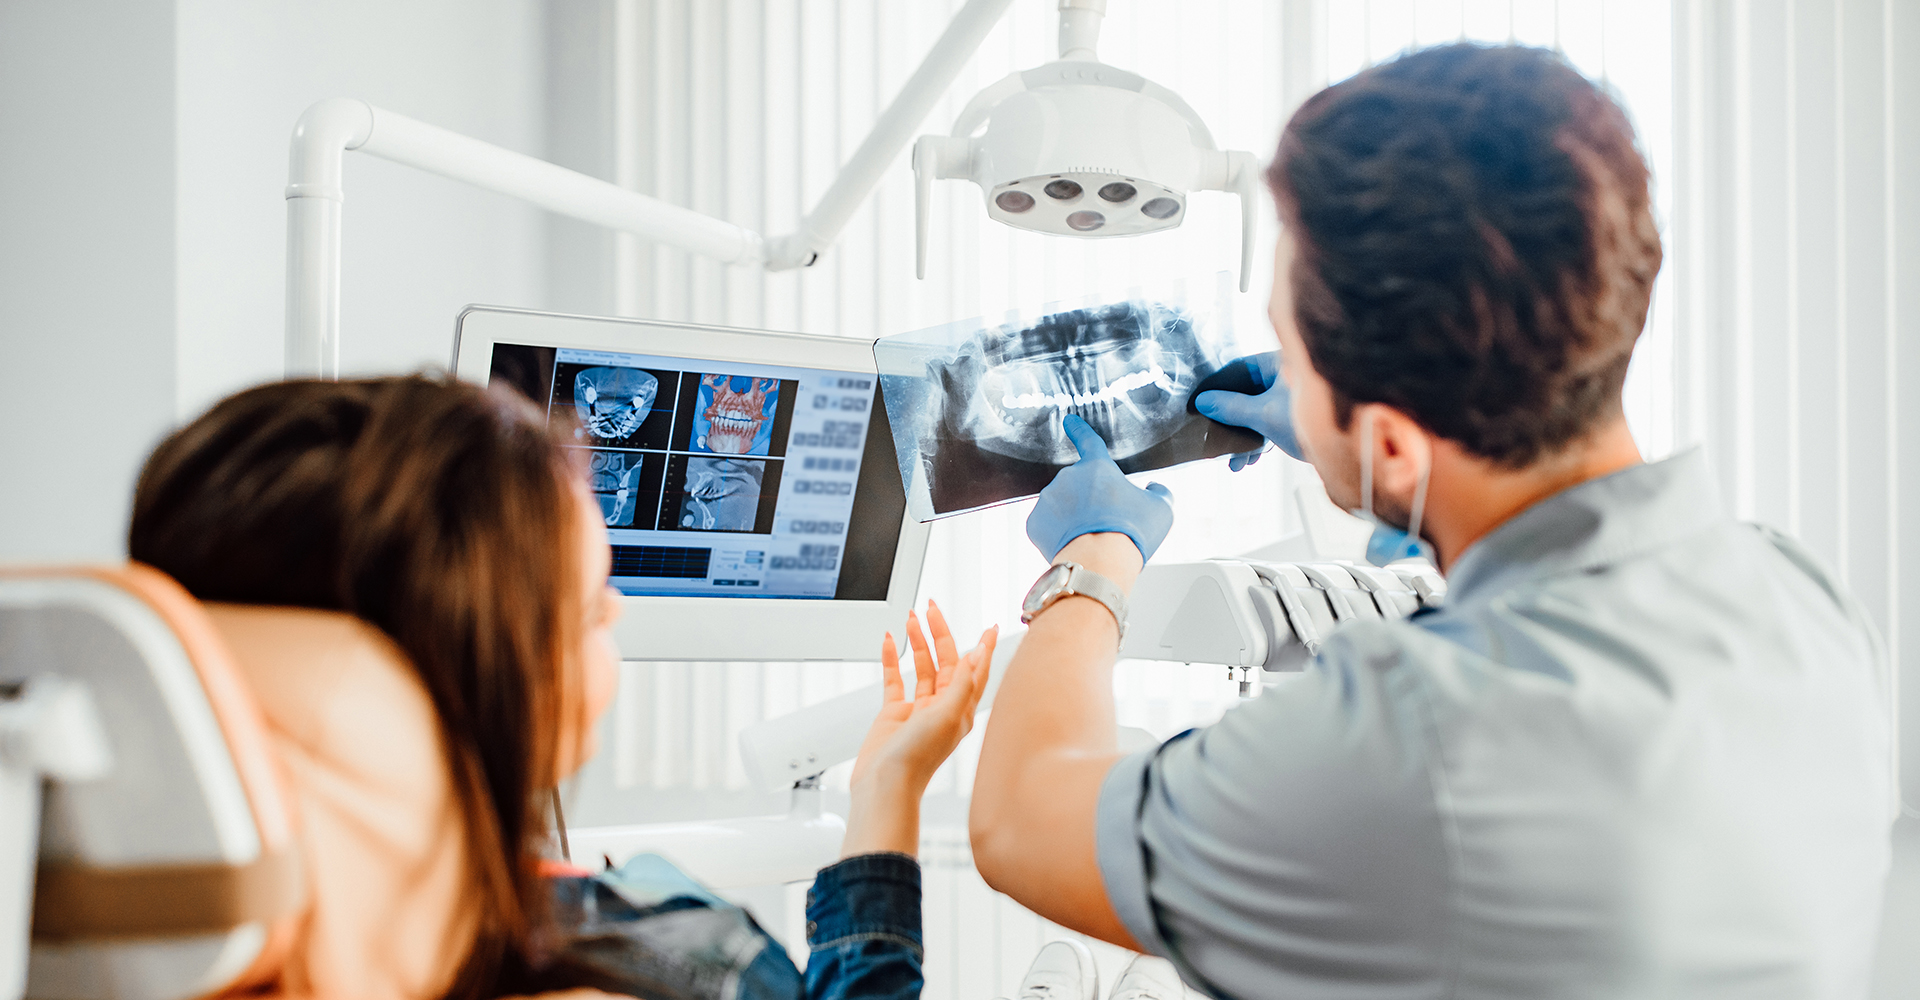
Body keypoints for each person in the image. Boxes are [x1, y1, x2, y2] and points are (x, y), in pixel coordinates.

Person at [969, 43, 1897, 998]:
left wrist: (1093, 564)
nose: (1284, 364)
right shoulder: (1801, 600)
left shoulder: (1414, 740)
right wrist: (1362, 449)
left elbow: (1020, 823)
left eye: (1293, 346)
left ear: (1397, 444)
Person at [128, 374, 995, 999]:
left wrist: (885, 784)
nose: (615, 612)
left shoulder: (107, 938)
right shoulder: (666, 962)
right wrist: (896, 790)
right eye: (586, 608)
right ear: (479, 676)